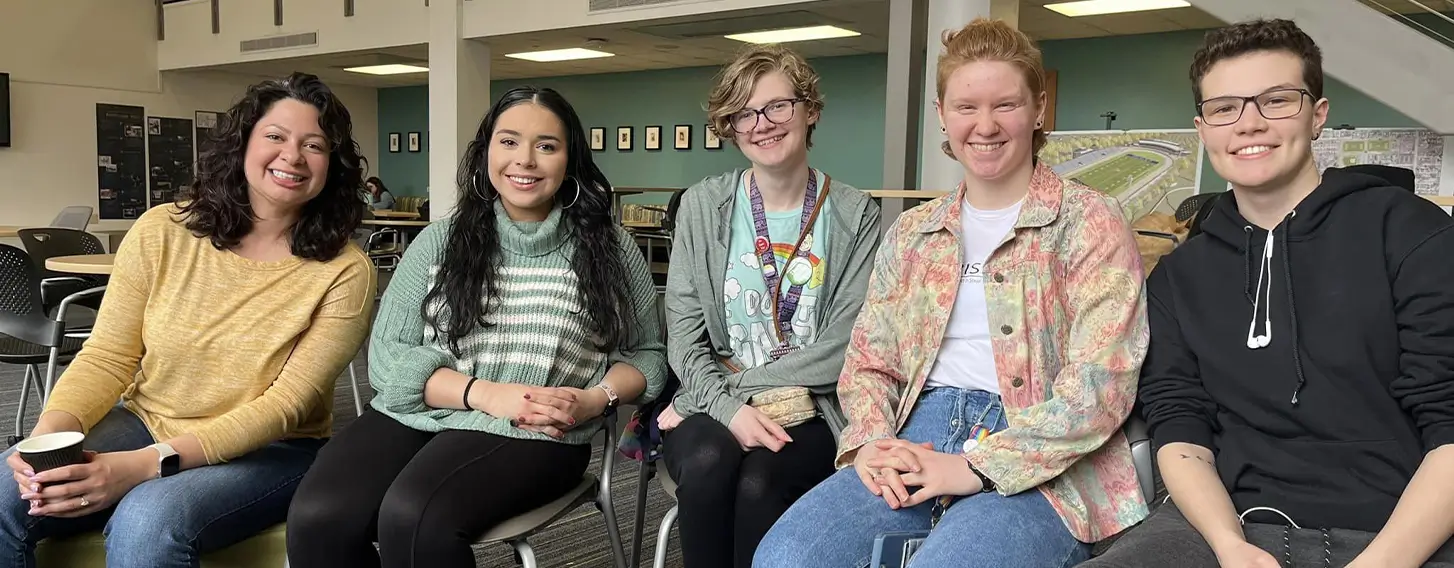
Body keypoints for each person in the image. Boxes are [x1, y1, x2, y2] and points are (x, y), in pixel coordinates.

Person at [754, 18, 1148, 568]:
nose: (984, 125)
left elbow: (1101, 385)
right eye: (966, 107)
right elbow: (869, 362)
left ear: (1038, 108)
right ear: (941, 113)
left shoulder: (1089, 221)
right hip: (919, 434)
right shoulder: (914, 232)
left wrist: (975, 466)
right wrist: (871, 443)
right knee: (785, 557)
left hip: (1044, 455)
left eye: (1005, 105)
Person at [1084, 18, 1454, 568]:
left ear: (1318, 114)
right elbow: (1181, 430)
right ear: (1203, 127)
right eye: (1225, 107)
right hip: (1226, 529)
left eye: (1276, 100)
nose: (1249, 124)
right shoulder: (1177, 278)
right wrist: (1229, 545)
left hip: (1404, 530)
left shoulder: (1411, 232)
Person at [0, 72, 374, 568]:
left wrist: (141, 467)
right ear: (242, 144)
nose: (293, 156)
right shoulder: (162, 230)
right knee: (6, 490)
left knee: (148, 520)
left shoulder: (346, 271)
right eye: (275, 136)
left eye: (315, 145)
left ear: (333, 164)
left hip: (272, 450)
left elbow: (285, 406)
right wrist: (48, 442)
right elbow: (109, 356)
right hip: (144, 418)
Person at [285, 86, 667, 568]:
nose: (524, 160)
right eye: (508, 142)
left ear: (570, 159)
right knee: (319, 516)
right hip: (426, 410)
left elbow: (646, 354)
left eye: (546, 146)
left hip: (536, 431)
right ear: (486, 150)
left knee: (413, 517)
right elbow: (386, 357)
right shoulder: (440, 240)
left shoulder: (610, 248)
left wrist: (596, 399)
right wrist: (484, 393)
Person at [656, 43, 882, 568]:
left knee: (761, 481)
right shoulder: (702, 206)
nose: (762, 123)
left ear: (810, 110)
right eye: (744, 112)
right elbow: (685, 338)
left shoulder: (854, 213)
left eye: (778, 106)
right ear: (729, 125)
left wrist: (702, 397)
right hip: (714, 396)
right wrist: (726, 407)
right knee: (711, 460)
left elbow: (842, 349)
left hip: (810, 403)